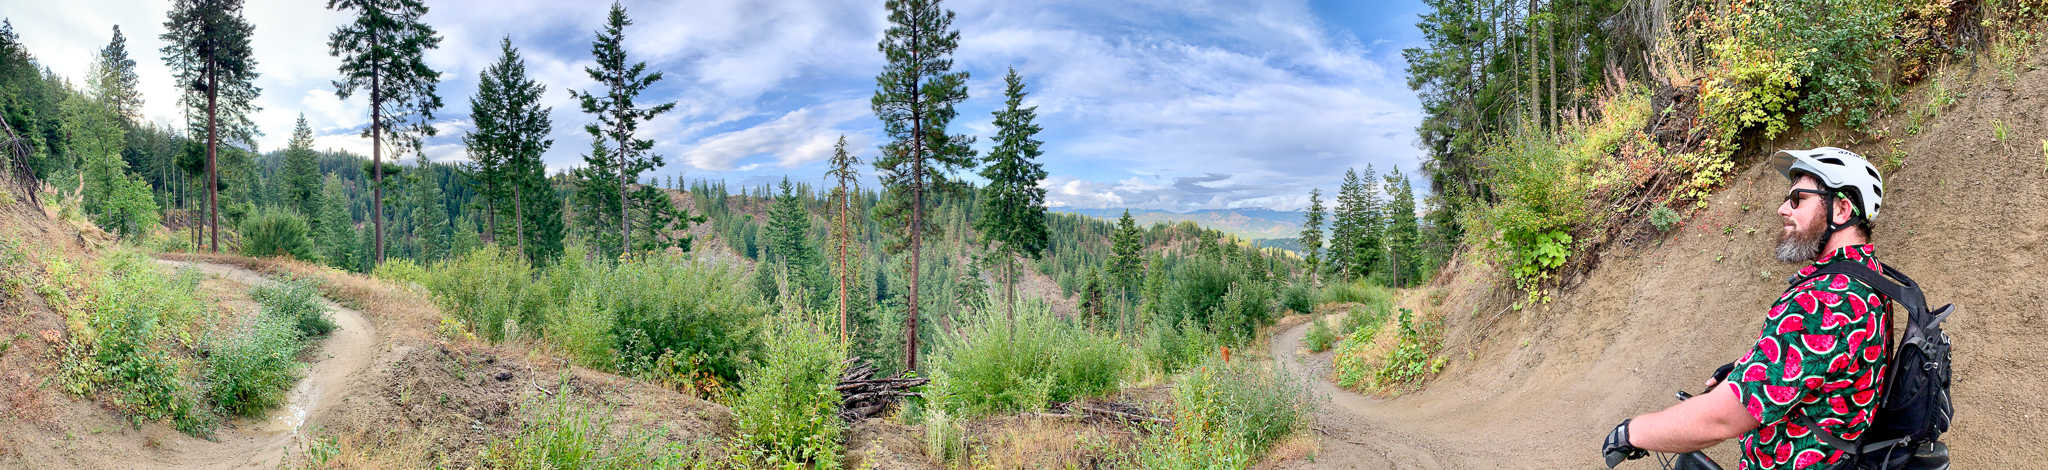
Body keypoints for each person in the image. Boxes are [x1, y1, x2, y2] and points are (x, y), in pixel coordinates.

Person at [1602, 147, 1893, 469]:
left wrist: (1632, 432)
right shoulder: (1866, 277)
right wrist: (1752, 366)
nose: (1784, 209)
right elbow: (1829, 365)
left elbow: (1724, 419)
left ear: (1841, 209)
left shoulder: (1826, 299)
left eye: (1798, 199)